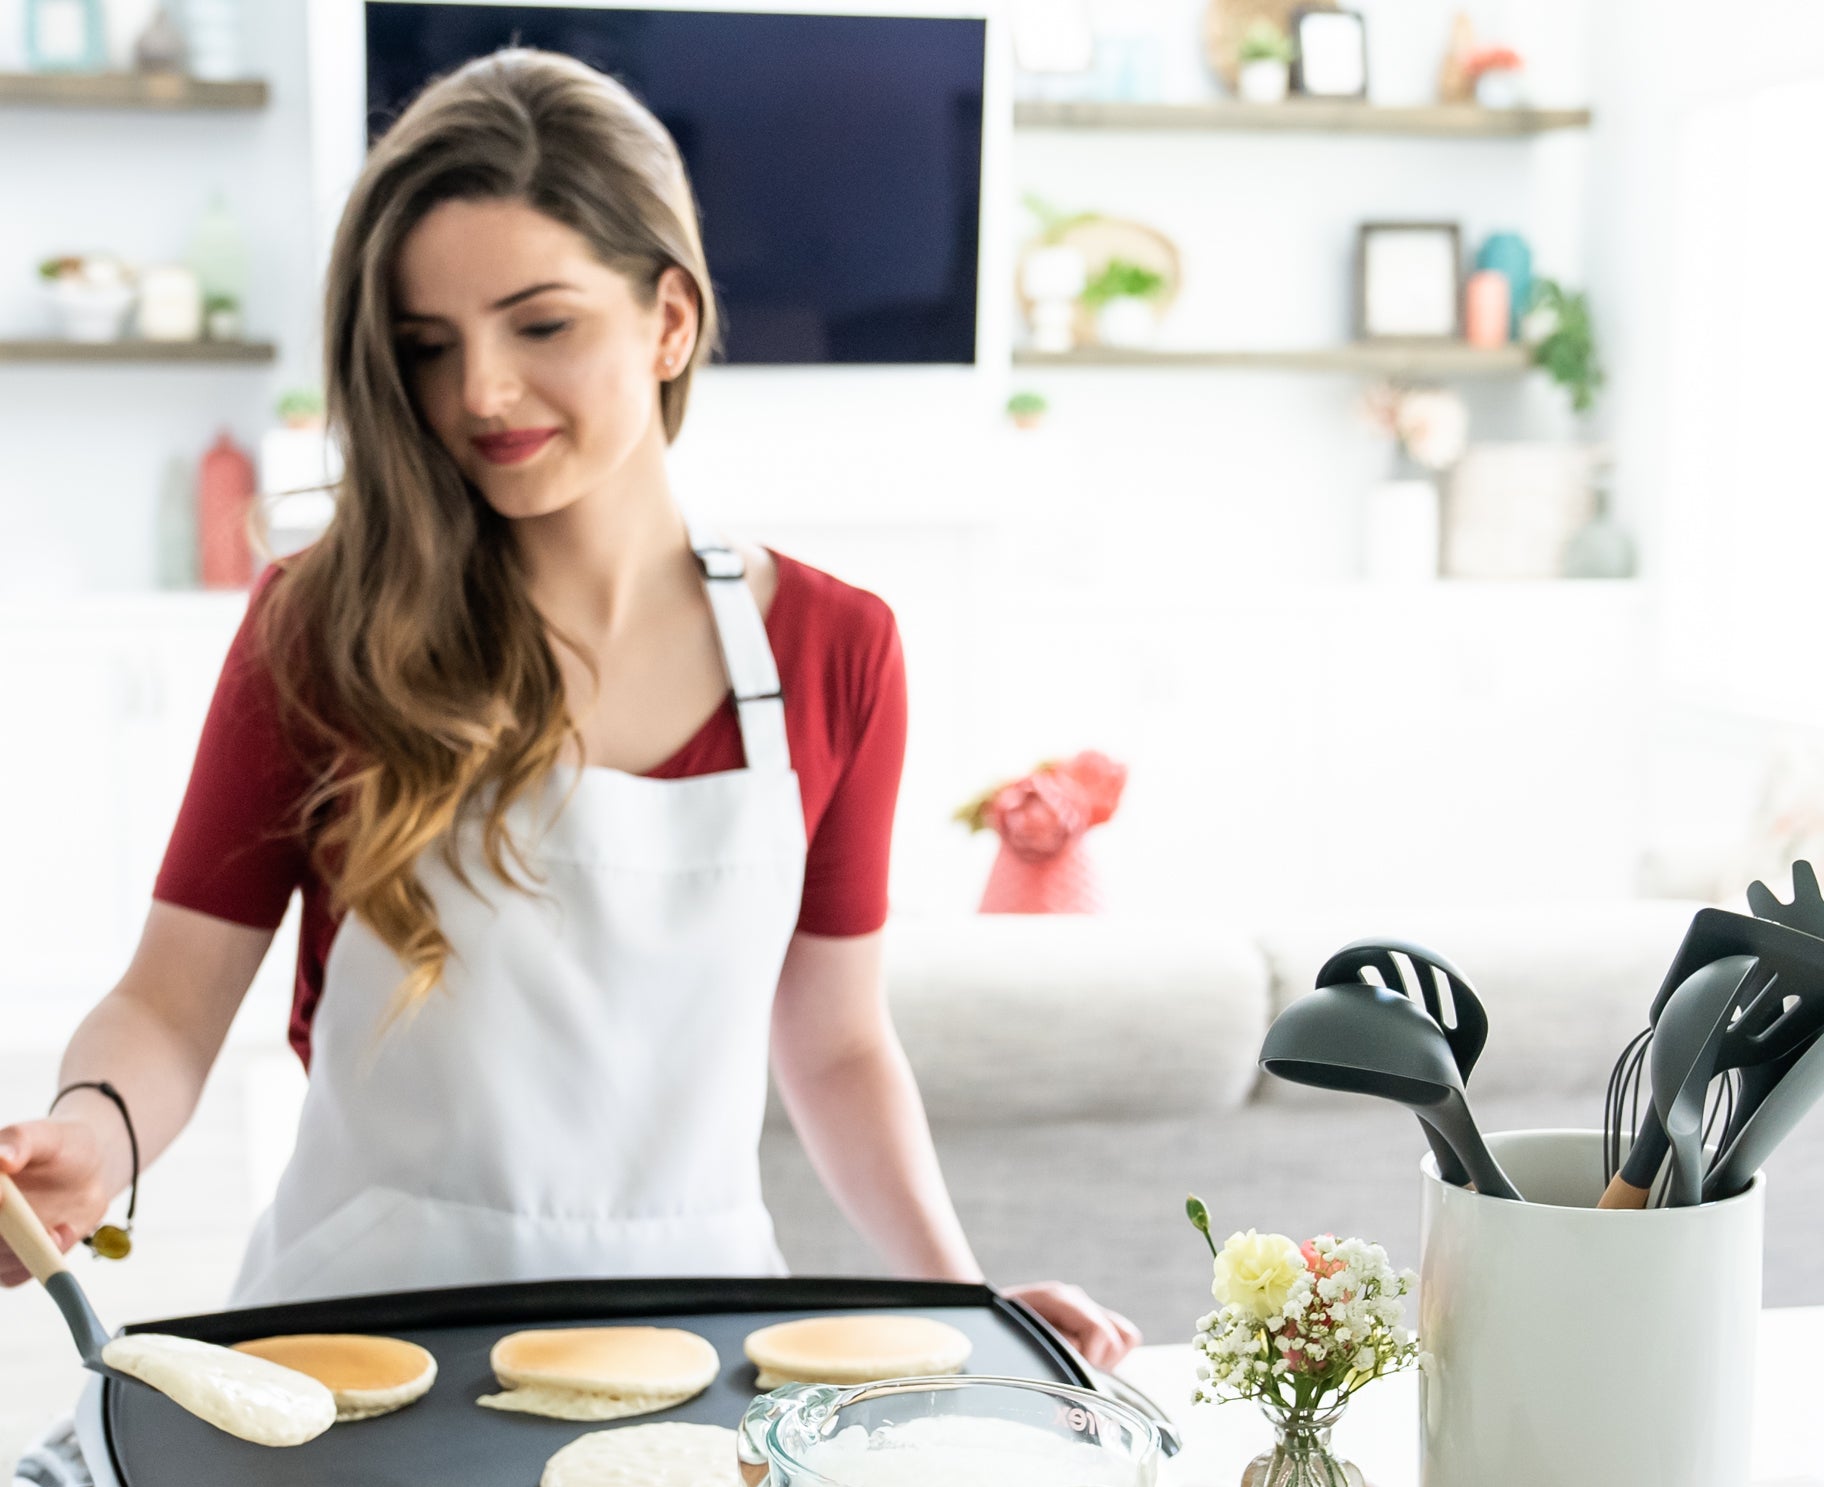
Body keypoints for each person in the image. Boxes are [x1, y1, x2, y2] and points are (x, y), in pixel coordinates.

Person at [0, 49, 1139, 1370]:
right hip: (354, 1352)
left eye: (540, 326)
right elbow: (170, 1006)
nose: (479, 393)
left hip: (697, 1347)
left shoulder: (835, 650)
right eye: (430, 348)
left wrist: (966, 1301)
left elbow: (832, 1044)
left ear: (667, 320)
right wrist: (87, 1133)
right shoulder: (320, 626)